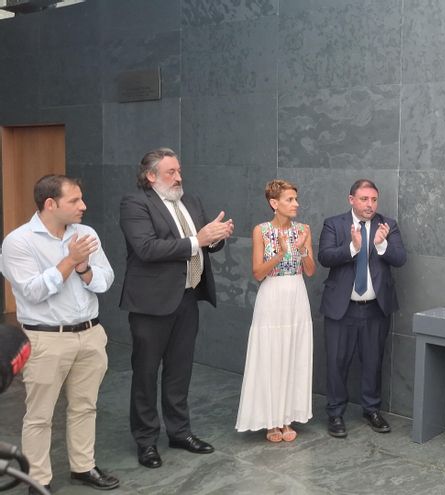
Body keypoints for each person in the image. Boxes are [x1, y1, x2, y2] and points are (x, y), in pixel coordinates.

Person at [1, 175, 119, 493]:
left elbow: (105, 280)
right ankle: (37, 480)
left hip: (91, 334)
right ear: (50, 204)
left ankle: (83, 467)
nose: (84, 206)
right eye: (75, 201)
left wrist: (83, 269)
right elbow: (33, 292)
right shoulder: (18, 241)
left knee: (85, 406)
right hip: (45, 339)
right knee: (39, 415)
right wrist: (70, 260)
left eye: (82, 199)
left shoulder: (86, 233)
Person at [119, 148, 234, 469]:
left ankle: (179, 432)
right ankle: (145, 441)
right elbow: (146, 248)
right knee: (145, 373)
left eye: (179, 170)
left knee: (179, 371)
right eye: (170, 172)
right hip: (151, 303)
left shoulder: (191, 201)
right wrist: (200, 239)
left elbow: (202, 241)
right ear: (151, 175)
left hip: (186, 298)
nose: (179, 177)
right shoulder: (135, 203)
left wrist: (217, 237)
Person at [317, 179, 406, 438]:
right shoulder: (334, 224)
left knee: (373, 361)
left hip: (375, 309)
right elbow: (325, 257)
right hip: (341, 309)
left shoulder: (387, 226)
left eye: (374, 200)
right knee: (336, 362)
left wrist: (381, 244)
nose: (370, 205)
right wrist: (353, 247)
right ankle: (335, 413)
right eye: (364, 199)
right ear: (351, 200)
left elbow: (400, 259)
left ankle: (372, 410)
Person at [235, 180, 316, 442]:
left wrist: (302, 248)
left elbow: (311, 270)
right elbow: (258, 272)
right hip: (271, 296)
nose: (296, 204)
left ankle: (287, 418)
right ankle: (271, 421)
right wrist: (281, 252)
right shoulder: (261, 231)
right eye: (290, 200)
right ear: (274, 203)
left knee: (294, 351)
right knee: (271, 354)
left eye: (296, 199)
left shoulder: (304, 229)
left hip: (296, 295)